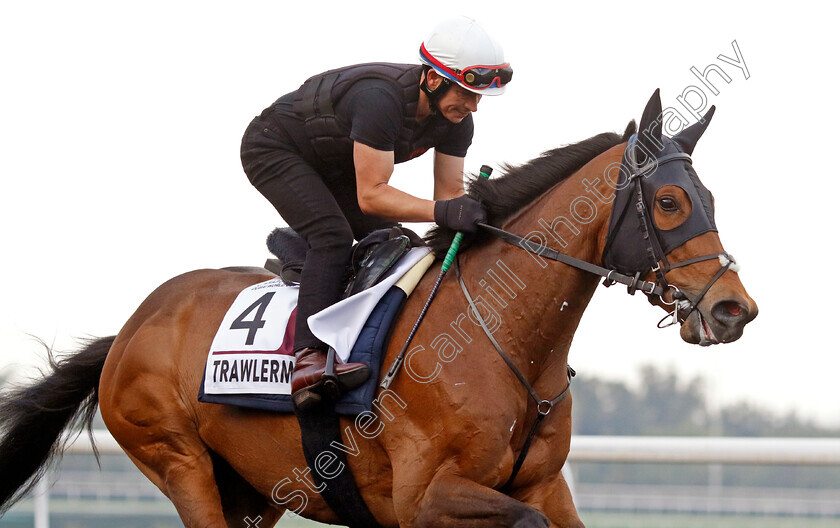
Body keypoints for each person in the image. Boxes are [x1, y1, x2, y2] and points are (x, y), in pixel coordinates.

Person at [240, 16, 512, 409]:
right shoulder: (379, 100)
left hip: (333, 164)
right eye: (467, 93)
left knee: (403, 244)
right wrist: (444, 212)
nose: (474, 106)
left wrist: (469, 217)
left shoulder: (456, 120)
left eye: (479, 96)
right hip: (275, 147)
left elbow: (449, 195)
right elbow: (372, 196)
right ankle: (306, 359)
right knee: (331, 237)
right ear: (433, 79)